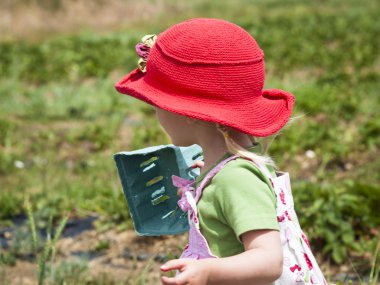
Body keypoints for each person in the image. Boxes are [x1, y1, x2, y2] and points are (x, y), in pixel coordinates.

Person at [115, 18, 326, 285]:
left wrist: (208, 271)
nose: (155, 112)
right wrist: (203, 189)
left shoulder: (236, 179)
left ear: (188, 113)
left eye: (156, 104)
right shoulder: (230, 169)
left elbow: (269, 260)